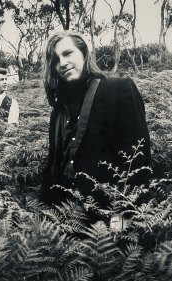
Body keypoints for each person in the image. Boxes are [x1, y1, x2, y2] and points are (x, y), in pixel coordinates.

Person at [41, 31, 151, 204]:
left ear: (84, 53)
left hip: (108, 215)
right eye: (55, 60)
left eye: (68, 53)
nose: (62, 63)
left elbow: (139, 158)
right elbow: (53, 166)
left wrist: (124, 210)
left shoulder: (119, 90)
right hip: (64, 215)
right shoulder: (58, 111)